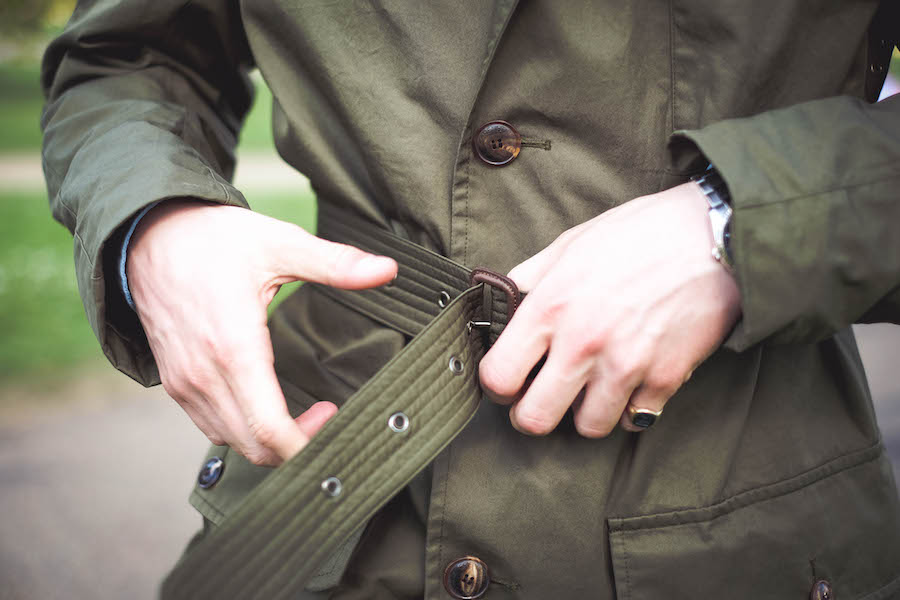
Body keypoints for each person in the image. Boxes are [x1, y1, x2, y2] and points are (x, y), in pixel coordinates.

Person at [41, 0, 900, 598]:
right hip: (338, 497)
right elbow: (127, 55)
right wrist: (156, 222)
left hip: (738, 520)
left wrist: (738, 220)